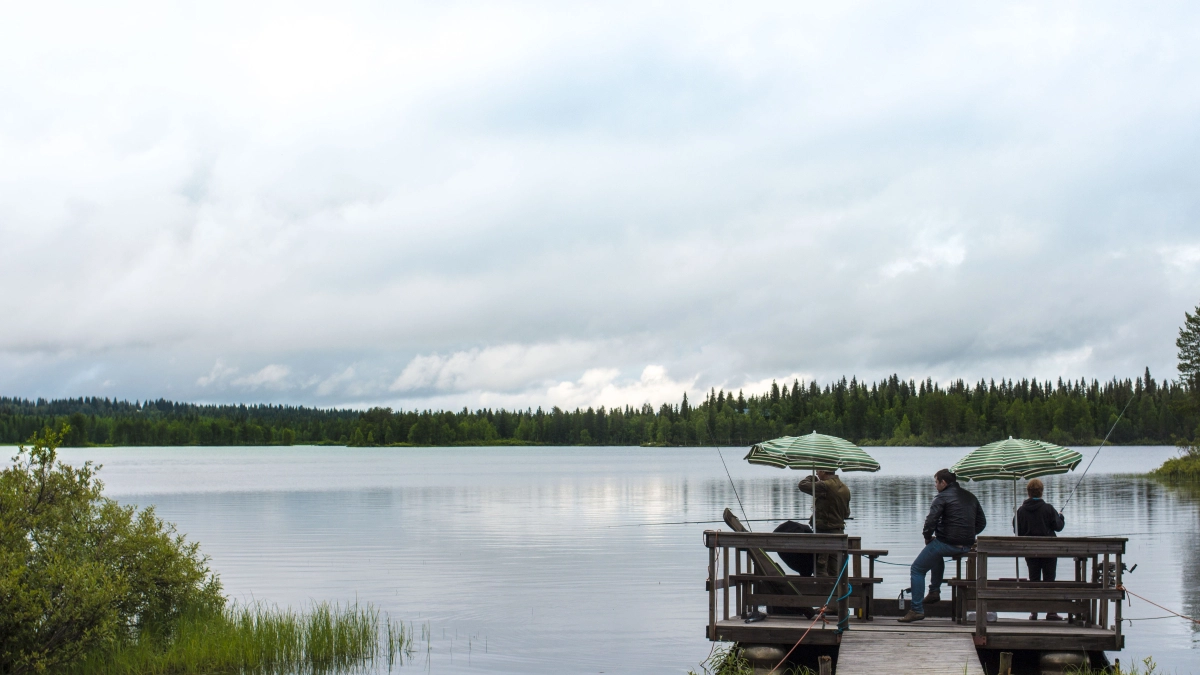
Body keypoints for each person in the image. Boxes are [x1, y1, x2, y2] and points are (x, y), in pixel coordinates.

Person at [898, 469, 986, 623]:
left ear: (943, 483)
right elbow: (981, 523)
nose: (935, 486)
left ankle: (917, 609)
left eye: (936, 482)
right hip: (966, 545)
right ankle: (934, 591)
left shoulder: (942, 497)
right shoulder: (970, 497)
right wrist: (967, 534)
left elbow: (931, 521)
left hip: (947, 543)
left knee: (917, 569)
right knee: (934, 553)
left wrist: (927, 537)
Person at [1015, 477, 1065, 620]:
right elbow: (1058, 527)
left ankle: (1034, 611)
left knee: (1034, 579)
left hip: (1030, 552)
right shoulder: (1048, 509)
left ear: (1028, 492)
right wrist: (1061, 517)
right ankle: (1051, 611)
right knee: (1049, 579)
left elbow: (1016, 530)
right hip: (1049, 551)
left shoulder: (1021, 511)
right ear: (1041, 492)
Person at [798, 469, 851, 577]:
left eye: (817, 471)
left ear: (823, 471)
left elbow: (802, 485)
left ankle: (823, 592)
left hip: (824, 534)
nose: (817, 473)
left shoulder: (824, 485)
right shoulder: (845, 488)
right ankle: (837, 592)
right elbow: (846, 514)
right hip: (839, 533)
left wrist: (811, 478)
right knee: (835, 568)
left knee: (820, 566)